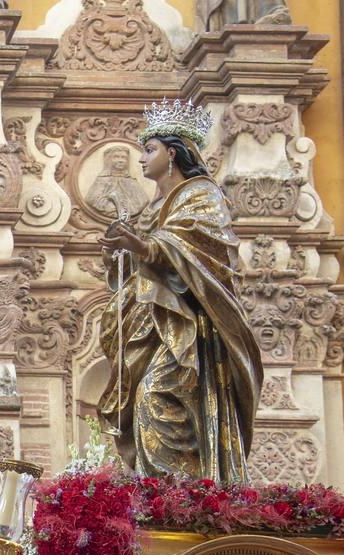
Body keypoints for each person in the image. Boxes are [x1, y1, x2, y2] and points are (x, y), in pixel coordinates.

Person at [98, 98, 262, 484]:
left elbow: (198, 254)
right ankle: (165, 496)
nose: (141, 159)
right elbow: (142, 266)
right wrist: (118, 253)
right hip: (154, 323)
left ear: (172, 153)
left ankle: (180, 495)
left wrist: (141, 246)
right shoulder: (153, 206)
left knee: (156, 396)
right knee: (142, 402)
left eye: (149, 150)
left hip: (190, 327)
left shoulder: (201, 195)